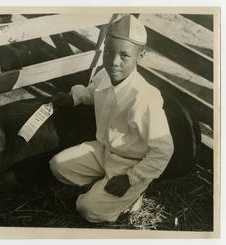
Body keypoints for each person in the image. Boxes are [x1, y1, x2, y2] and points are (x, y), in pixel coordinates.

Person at [50, 14, 174, 223]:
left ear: (140, 56)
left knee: (86, 209)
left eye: (124, 56)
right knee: (58, 165)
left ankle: (132, 197)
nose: (113, 62)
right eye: (108, 51)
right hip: (104, 151)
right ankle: (104, 186)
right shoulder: (105, 75)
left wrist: (130, 178)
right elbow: (92, 92)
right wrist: (74, 97)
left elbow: (164, 150)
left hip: (130, 164)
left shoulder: (144, 97)